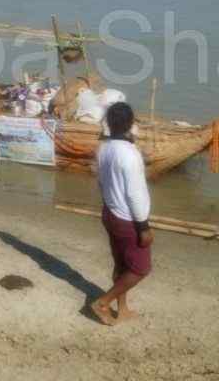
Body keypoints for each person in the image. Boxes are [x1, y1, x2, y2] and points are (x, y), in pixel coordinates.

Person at [91, 102, 152, 326]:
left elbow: (101, 182)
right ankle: (103, 302)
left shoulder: (103, 148)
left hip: (110, 212)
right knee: (140, 268)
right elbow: (135, 195)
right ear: (130, 123)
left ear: (109, 123)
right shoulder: (130, 154)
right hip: (128, 219)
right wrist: (143, 227)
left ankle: (122, 308)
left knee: (121, 264)